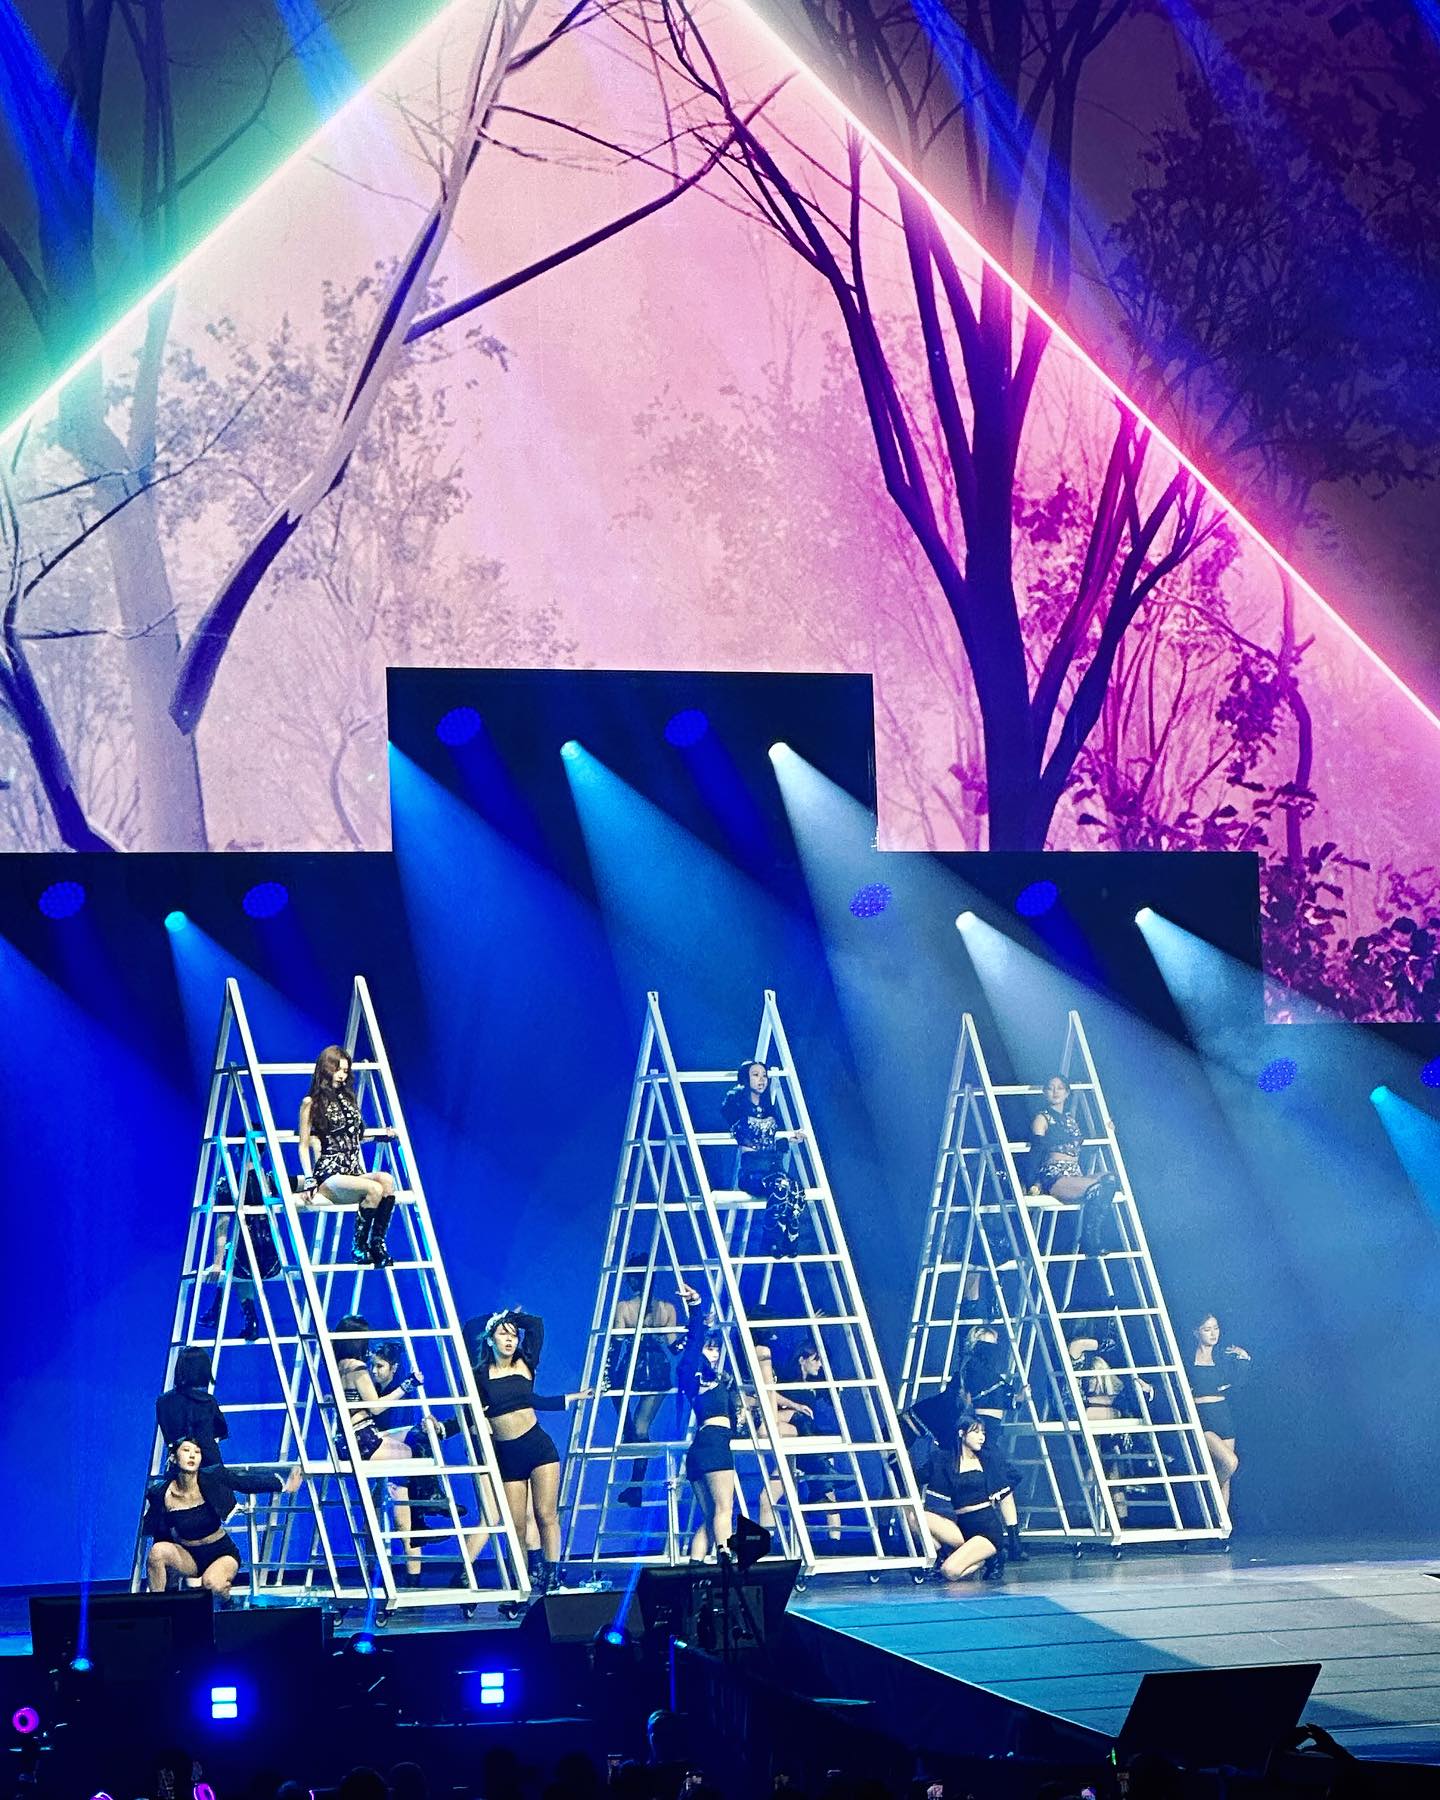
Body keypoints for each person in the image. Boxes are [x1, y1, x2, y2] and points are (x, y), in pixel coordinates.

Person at [473, 1307, 590, 1594]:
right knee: (516, 1527)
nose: (509, 1340)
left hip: (538, 1448)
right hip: (508, 1454)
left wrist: (512, 1318)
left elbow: (536, 1325)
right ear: (490, 1339)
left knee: (545, 1515)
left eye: (514, 1335)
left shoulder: (525, 1363)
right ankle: (521, 1582)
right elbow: (470, 1413)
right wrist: (442, 1428)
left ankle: (553, 1575)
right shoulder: (480, 1375)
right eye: (503, 1334)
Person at [909, 1323, 1027, 1564]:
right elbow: (967, 1398)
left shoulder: (986, 1372)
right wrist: (1011, 1398)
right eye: (986, 1344)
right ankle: (1003, 1545)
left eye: (994, 1344)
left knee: (1003, 1486)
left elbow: (1004, 1399)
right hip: (980, 1434)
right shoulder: (971, 1369)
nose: (991, 1349)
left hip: (989, 1433)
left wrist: (1017, 1398)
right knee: (1001, 1484)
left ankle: (1012, 1541)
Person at [144, 1437, 301, 1599]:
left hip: (220, 1552)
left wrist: (283, 1485)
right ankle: (157, 1606)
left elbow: (243, 1482)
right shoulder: (162, 1493)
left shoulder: (212, 1477)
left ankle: (227, 1603)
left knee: (211, 1584)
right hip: (189, 1556)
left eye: (197, 1452)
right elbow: (157, 1529)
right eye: (186, 1450)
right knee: (157, 1552)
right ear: (173, 1458)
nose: (192, 1455)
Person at [297, 1045, 397, 1267]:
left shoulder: (348, 1099)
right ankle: (358, 1246)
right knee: (374, 1188)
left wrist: (381, 1136)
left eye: (345, 1070)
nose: (342, 1075)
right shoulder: (311, 1103)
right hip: (330, 1173)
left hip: (352, 1171)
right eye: (338, 1069)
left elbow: (354, 1136)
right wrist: (309, 1179)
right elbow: (303, 1146)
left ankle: (377, 1244)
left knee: (387, 1181)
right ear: (327, 1069)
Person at [675, 1282, 744, 1561]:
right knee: (724, 1510)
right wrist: (696, 1307)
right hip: (713, 1445)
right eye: (710, 1347)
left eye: (716, 1348)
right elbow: (694, 1341)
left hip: (704, 1447)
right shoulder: (691, 1371)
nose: (715, 1352)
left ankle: (695, 1566)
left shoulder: (715, 1380)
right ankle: (725, 1561)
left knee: (712, 1515)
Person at [606, 1258, 682, 1505]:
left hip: (635, 1368)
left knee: (633, 1423)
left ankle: (635, 1483)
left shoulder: (625, 1308)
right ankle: (636, 1485)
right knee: (641, 1429)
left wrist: (608, 1373)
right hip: (657, 1371)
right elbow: (675, 1346)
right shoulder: (666, 1309)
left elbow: (616, 1345)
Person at [1067, 1323, 1155, 1525]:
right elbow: (1082, 1346)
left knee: (1110, 1470)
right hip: (1094, 1414)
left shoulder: (1098, 1363)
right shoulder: (1081, 1354)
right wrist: (1108, 1342)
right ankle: (1094, 1516)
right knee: (1102, 1467)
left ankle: (1115, 1520)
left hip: (1101, 1414)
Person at [720, 1062, 808, 1255]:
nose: (761, 1079)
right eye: (755, 1075)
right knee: (781, 1187)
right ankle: (769, 1239)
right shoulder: (737, 1108)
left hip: (772, 1167)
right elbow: (746, 1135)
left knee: (797, 1192)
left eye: (764, 1075)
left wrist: (789, 1140)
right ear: (746, 1079)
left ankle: (789, 1237)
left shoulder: (768, 1108)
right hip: (753, 1172)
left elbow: (770, 1140)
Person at [1030, 1074, 1121, 1256]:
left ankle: (1093, 1235)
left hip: (1074, 1172)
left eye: (1060, 1088)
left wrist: (1107, 1128)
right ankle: (1090, 1240)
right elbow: (1036, 1151)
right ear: (1044, 1092)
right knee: (1097, 1188)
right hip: (1055, 1174)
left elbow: (1083, 1140)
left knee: (1111, 1179)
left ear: (1067, 1093)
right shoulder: (1042, 1118)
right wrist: (1032, 1182)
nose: (1055, 1092)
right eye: (1050, 1088)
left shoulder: (1070, 1119)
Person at [910, 1414, 1005, 1581]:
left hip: (986, 1530)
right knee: (914, 1517)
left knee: (949, 1571)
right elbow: (920, 1476)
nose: (981, 1437)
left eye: (983, 1433)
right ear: (962, 1433)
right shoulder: (946, 1460)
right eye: (976, 1432)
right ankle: (939, 1555)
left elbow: (1007, 1484)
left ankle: (984, 1559)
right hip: (961, 1527)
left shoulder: (987, 1459)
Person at [1190, 1311, 1251, 1509]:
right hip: (1203, 1418)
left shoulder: (1224, 1357)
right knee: (1230, 1463)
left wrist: (1244, 1359)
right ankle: (1207, 1497)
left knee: (1227, 1477)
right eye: (1207, 1329)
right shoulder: (1187, 1359)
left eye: (1216, 1328)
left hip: (1223, 1417)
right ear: (1197, 1332)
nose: (1213, 1333)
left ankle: (1221, 1523)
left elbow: (1238, 1384)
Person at [156, 1347, 228, 1467]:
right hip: (209, 1467)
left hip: (177, 1466)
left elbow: (168, 1435)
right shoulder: (207, 1402)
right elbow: (221, 1431)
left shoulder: (162, 1401)